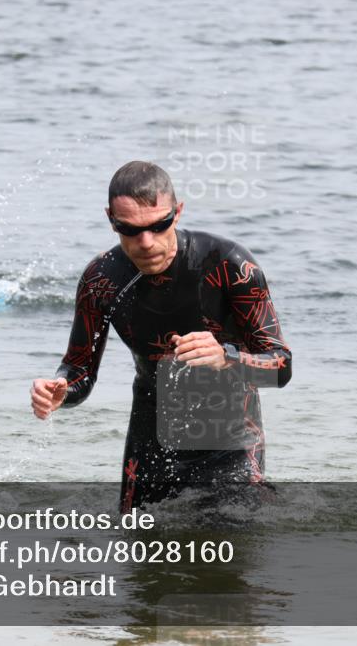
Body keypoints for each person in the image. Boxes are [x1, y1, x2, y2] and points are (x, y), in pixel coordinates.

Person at [30, 161, 292, 512]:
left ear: (178, 212)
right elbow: (79, 368)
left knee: (229, 551)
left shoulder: (228, 264)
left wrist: (225, 357)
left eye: (159, 225)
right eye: (130, 229)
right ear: (111, 219)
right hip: (149, 440)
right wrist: (60, 388)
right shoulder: (101, 280)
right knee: (139, 552)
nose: (146, 243)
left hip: (229, 439)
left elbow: (281, 366)